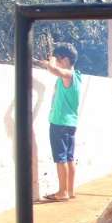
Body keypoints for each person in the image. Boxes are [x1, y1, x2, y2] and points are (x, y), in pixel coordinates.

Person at [40, 43, 82, 202]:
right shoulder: (76, 76)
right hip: (70, 123)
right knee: (69, 158)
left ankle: (62, 191)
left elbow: (54, 70)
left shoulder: (68, 75)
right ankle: (69, 190)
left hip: (60, 123)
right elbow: (55, 71)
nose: (55, 62)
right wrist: (49, 63)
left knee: (61, 158)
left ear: (64, 60)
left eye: (57, 59)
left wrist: (50, 62)